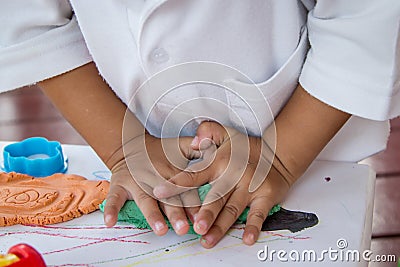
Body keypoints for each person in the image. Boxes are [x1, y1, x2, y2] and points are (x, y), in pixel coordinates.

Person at [1, 0, 399, 249]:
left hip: (310, 132)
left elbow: (363, 13)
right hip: (138, 122)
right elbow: (30, 21)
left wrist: (282, 156)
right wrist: (122, 148)